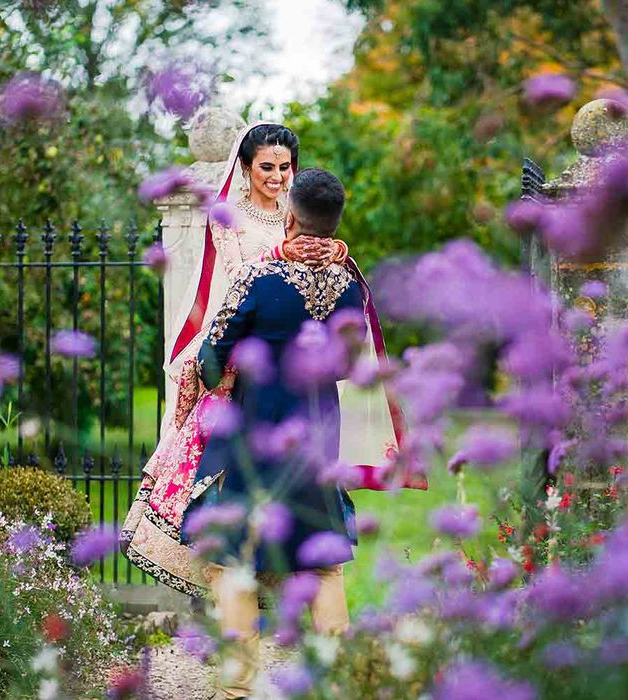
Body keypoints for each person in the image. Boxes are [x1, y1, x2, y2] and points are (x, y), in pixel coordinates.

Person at [120, 123, 416, 597]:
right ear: (245, 168)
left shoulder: (302, 215)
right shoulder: (229, 219)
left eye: (285, 168)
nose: (277, 177)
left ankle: (267, 600)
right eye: (267, 167)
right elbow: (231, 290)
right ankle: (231, 585)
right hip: (246, 347)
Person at [183, 168, 361, 700]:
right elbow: (351, 363)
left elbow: (210, 358)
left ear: (290, 215)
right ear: (335, 222)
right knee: (323, 560)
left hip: (254, 438)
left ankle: (238, 688)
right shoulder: (350, 285)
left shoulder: (258, 279)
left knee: (234, 558)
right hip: (317, 441)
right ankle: (342, 680)